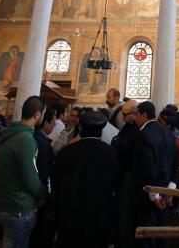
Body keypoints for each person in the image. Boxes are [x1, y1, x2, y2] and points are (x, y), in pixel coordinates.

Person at [53, 111, 119, 248]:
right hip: (98, 217)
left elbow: (56, 184)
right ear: (101, 131)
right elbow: (115, 185)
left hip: (69, 216)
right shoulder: (111, 153)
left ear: (81, 129)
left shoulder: (66, 153)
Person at [0, 96, 47, 248]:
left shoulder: (10, 133)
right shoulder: (25, 139)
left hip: (5, 202)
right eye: (43, 113)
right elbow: (30, 177)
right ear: (37, 114)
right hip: (19, 206)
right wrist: (43, 194)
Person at [132, 101, 179, 248]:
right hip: (165, 195)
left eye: (136, 115)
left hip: (149, 197)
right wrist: (169, 191)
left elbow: (148, 168)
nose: (135, 118)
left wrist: (156, 197)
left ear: (143, 115)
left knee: (148, 238)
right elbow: (177, 164)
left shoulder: (143, 135)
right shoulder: (169, 134)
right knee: (161, 236)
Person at [112, 100, 140, 248]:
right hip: (122, 174)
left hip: (129, 177)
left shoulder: (137, 130)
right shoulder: (128, 127)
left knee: (126, 216)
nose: (122, 117)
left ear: (135, 114)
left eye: (125, 114)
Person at [30, 107, 57, 248]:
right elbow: (43, 171)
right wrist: (44, 194)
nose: (55, 125)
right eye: (53, 122)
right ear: (46, 123)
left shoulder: (33, 136)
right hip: (38, 193)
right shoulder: (42, 143)